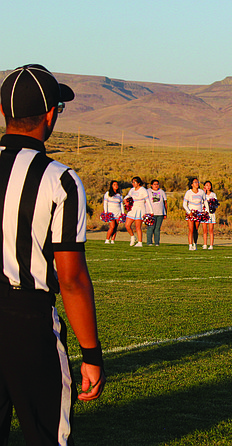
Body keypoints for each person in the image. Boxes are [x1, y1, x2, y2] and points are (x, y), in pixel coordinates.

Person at [0, 64, 105, 444]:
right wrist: (91, 353)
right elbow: (72, 278)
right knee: (47, 436)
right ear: (49, 115)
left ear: (3, 113)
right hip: (27, 320)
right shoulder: (60, 178)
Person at [124, 176, 153, 247]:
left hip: (140, 208)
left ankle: (140, 242)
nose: (133, 184)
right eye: (132, 182)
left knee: (138, 227)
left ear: (138, 183)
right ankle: (133, 237)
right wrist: (125, 201)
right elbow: (127, 196)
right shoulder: (132, 190)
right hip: (133, 208)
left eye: (134, 182)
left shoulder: (143, 190)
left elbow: (148, 201)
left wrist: (151, 211)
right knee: (127, 225)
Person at [183, 177, 206, 251]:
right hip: (191, 213)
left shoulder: (201, 192)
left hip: (198, 213)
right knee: (191, 229)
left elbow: (205, 202)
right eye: (195, 182)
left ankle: (195, 244)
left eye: (198, 182)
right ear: (192, 184)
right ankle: (190, 245)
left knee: (196, 229)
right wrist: (189, 212)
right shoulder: (188, 192)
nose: (197, 184)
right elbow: (184, 204)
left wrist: (205, 211)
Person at [146, 179, 167, 246]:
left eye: (157, 184)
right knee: (150, 228)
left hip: (160, 212)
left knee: (157, 229)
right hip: (150, 213)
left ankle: (157, 242)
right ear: (151, 185)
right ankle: (149, 242)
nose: (156, 186)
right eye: (154, 184)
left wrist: (165, 213)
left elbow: (165, 202)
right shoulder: (148, 191)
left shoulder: (161, 192)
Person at [103, 180, 123, 244]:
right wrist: (106, 212)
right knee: (112, 226)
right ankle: (107, 239)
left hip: (118, 212)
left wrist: (122, 213)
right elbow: (105, 203)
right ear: (111, 186)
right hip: (110, 213)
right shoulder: (108, 193)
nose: (116, 186)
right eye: (114, 185)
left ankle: (113, 240)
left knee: (115, 227)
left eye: (117, 185)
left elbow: (121, 204)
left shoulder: (119, 194)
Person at [202, 180, 217, 250]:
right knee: (205, 230)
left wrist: (212, 207)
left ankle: (211, 245)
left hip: (211, 214)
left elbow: (216, 204)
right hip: (204, 213)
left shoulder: (213, 194)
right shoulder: (202, 194)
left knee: (211, 230)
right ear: (204, 186)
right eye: (207, 185)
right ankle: (205, 244)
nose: (208, 187)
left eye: (209, 185)